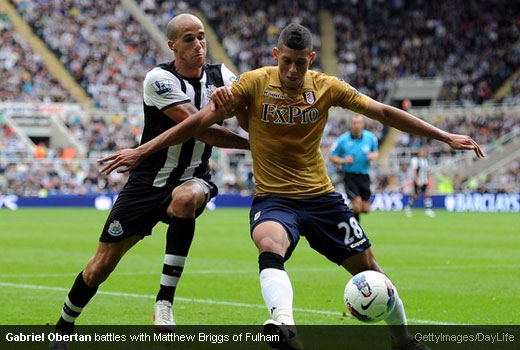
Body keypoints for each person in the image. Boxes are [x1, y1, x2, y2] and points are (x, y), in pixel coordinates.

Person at [99, 23, 484, 350]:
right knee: (270, 244)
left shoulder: (327, 87)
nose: (293, 70)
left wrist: (445, 136)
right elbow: (199, 123)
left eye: (300, 63)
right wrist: (142, 149)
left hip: (321, 197)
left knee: (370, 270)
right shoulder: (252, 83)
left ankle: (406, 341)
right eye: (286, 61)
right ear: (275, 55)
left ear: (311, 60)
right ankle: (283, 325)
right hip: (273, 198)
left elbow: (382, 112)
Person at [51, 13, 249, 344]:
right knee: (100, 266)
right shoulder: (159, 79)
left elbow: (248, 113)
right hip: (147, 183)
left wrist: (244, 114)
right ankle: (63, 327)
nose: (199, 44)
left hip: (193, 177)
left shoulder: (222, 75)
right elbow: (198, 126)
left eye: (201, 36)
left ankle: (164, 302)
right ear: (172, 45)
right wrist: (253, 144)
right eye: (189, 39)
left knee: (186, 199)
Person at [329, 115, 378, 222]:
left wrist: (373, 156)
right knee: (356, 205)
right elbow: (331, 156)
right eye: (354, 123)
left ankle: (343, 213)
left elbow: (376, 152)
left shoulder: (370, 138)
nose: (357, 125)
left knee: (365, 209)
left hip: (364, 175)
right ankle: (355, 228)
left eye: (359, 123)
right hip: (350, 176)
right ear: (351, 125)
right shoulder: (342, 140)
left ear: (363, 124)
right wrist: (343, 161)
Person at [404, 146, 435, 217]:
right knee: (416, 196)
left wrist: (428, 180)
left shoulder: (425, 161)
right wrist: (417, 180)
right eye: (422, 151)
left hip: (424, 181)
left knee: (427, 194)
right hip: (418, 181)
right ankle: (408, 207)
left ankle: (428, 210)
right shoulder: (415, 160)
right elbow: (414, 171)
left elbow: (426, 172)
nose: (423, 152)